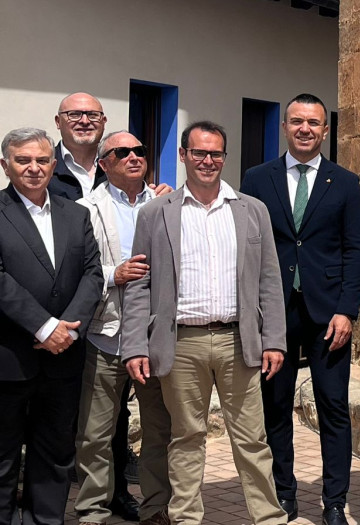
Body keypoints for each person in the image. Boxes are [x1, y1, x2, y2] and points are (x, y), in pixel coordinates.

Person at [121, 121, 288, 525]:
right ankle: (186, 518)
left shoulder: (252, 210)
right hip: (181, 342)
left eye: (215, 154)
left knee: (252, 439)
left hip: (238, 340)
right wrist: (135, 346)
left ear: (224, 158)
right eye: (199, 153)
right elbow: (139, 285)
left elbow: (269, 278)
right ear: (183, 155)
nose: (207, 161)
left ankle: (268, 518)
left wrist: (275, 340)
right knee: (186, 438)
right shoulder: (155, 213)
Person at [241, 93, 360, 525]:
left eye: (314, 122)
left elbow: (356, 249)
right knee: (275, 407)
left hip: (328, 313)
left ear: (325, 129)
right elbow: (249, 247)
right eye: (297, 121)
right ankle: (284, 494)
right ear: (285, 126)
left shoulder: (345, 182)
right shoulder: (257, 178)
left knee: (332, 406)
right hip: (274, 313)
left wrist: (347, 310)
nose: (305, 129)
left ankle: (334, 500)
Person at [0, 127, 104, 525]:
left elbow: (93, 274)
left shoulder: (75, 213)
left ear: (53, 163)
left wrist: (69, 330)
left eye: (42, 160)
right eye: (23, 160)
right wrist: (44, 327)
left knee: (55, 453)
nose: (33, 168)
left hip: (64, 359)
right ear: (6, 165)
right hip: (10, 358)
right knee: (4, 456)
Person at [74, 131, 173, 525]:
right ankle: (93, 511)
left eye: (139, 151)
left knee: (158, 429)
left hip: (155, 335)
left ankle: (155, 507)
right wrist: (113, 275)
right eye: (121, 152)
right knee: (95, 433)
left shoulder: (168, 204)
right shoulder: (84, 209)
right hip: (105, 332)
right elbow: (75, 272)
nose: (133, 157)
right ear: (103, 164)